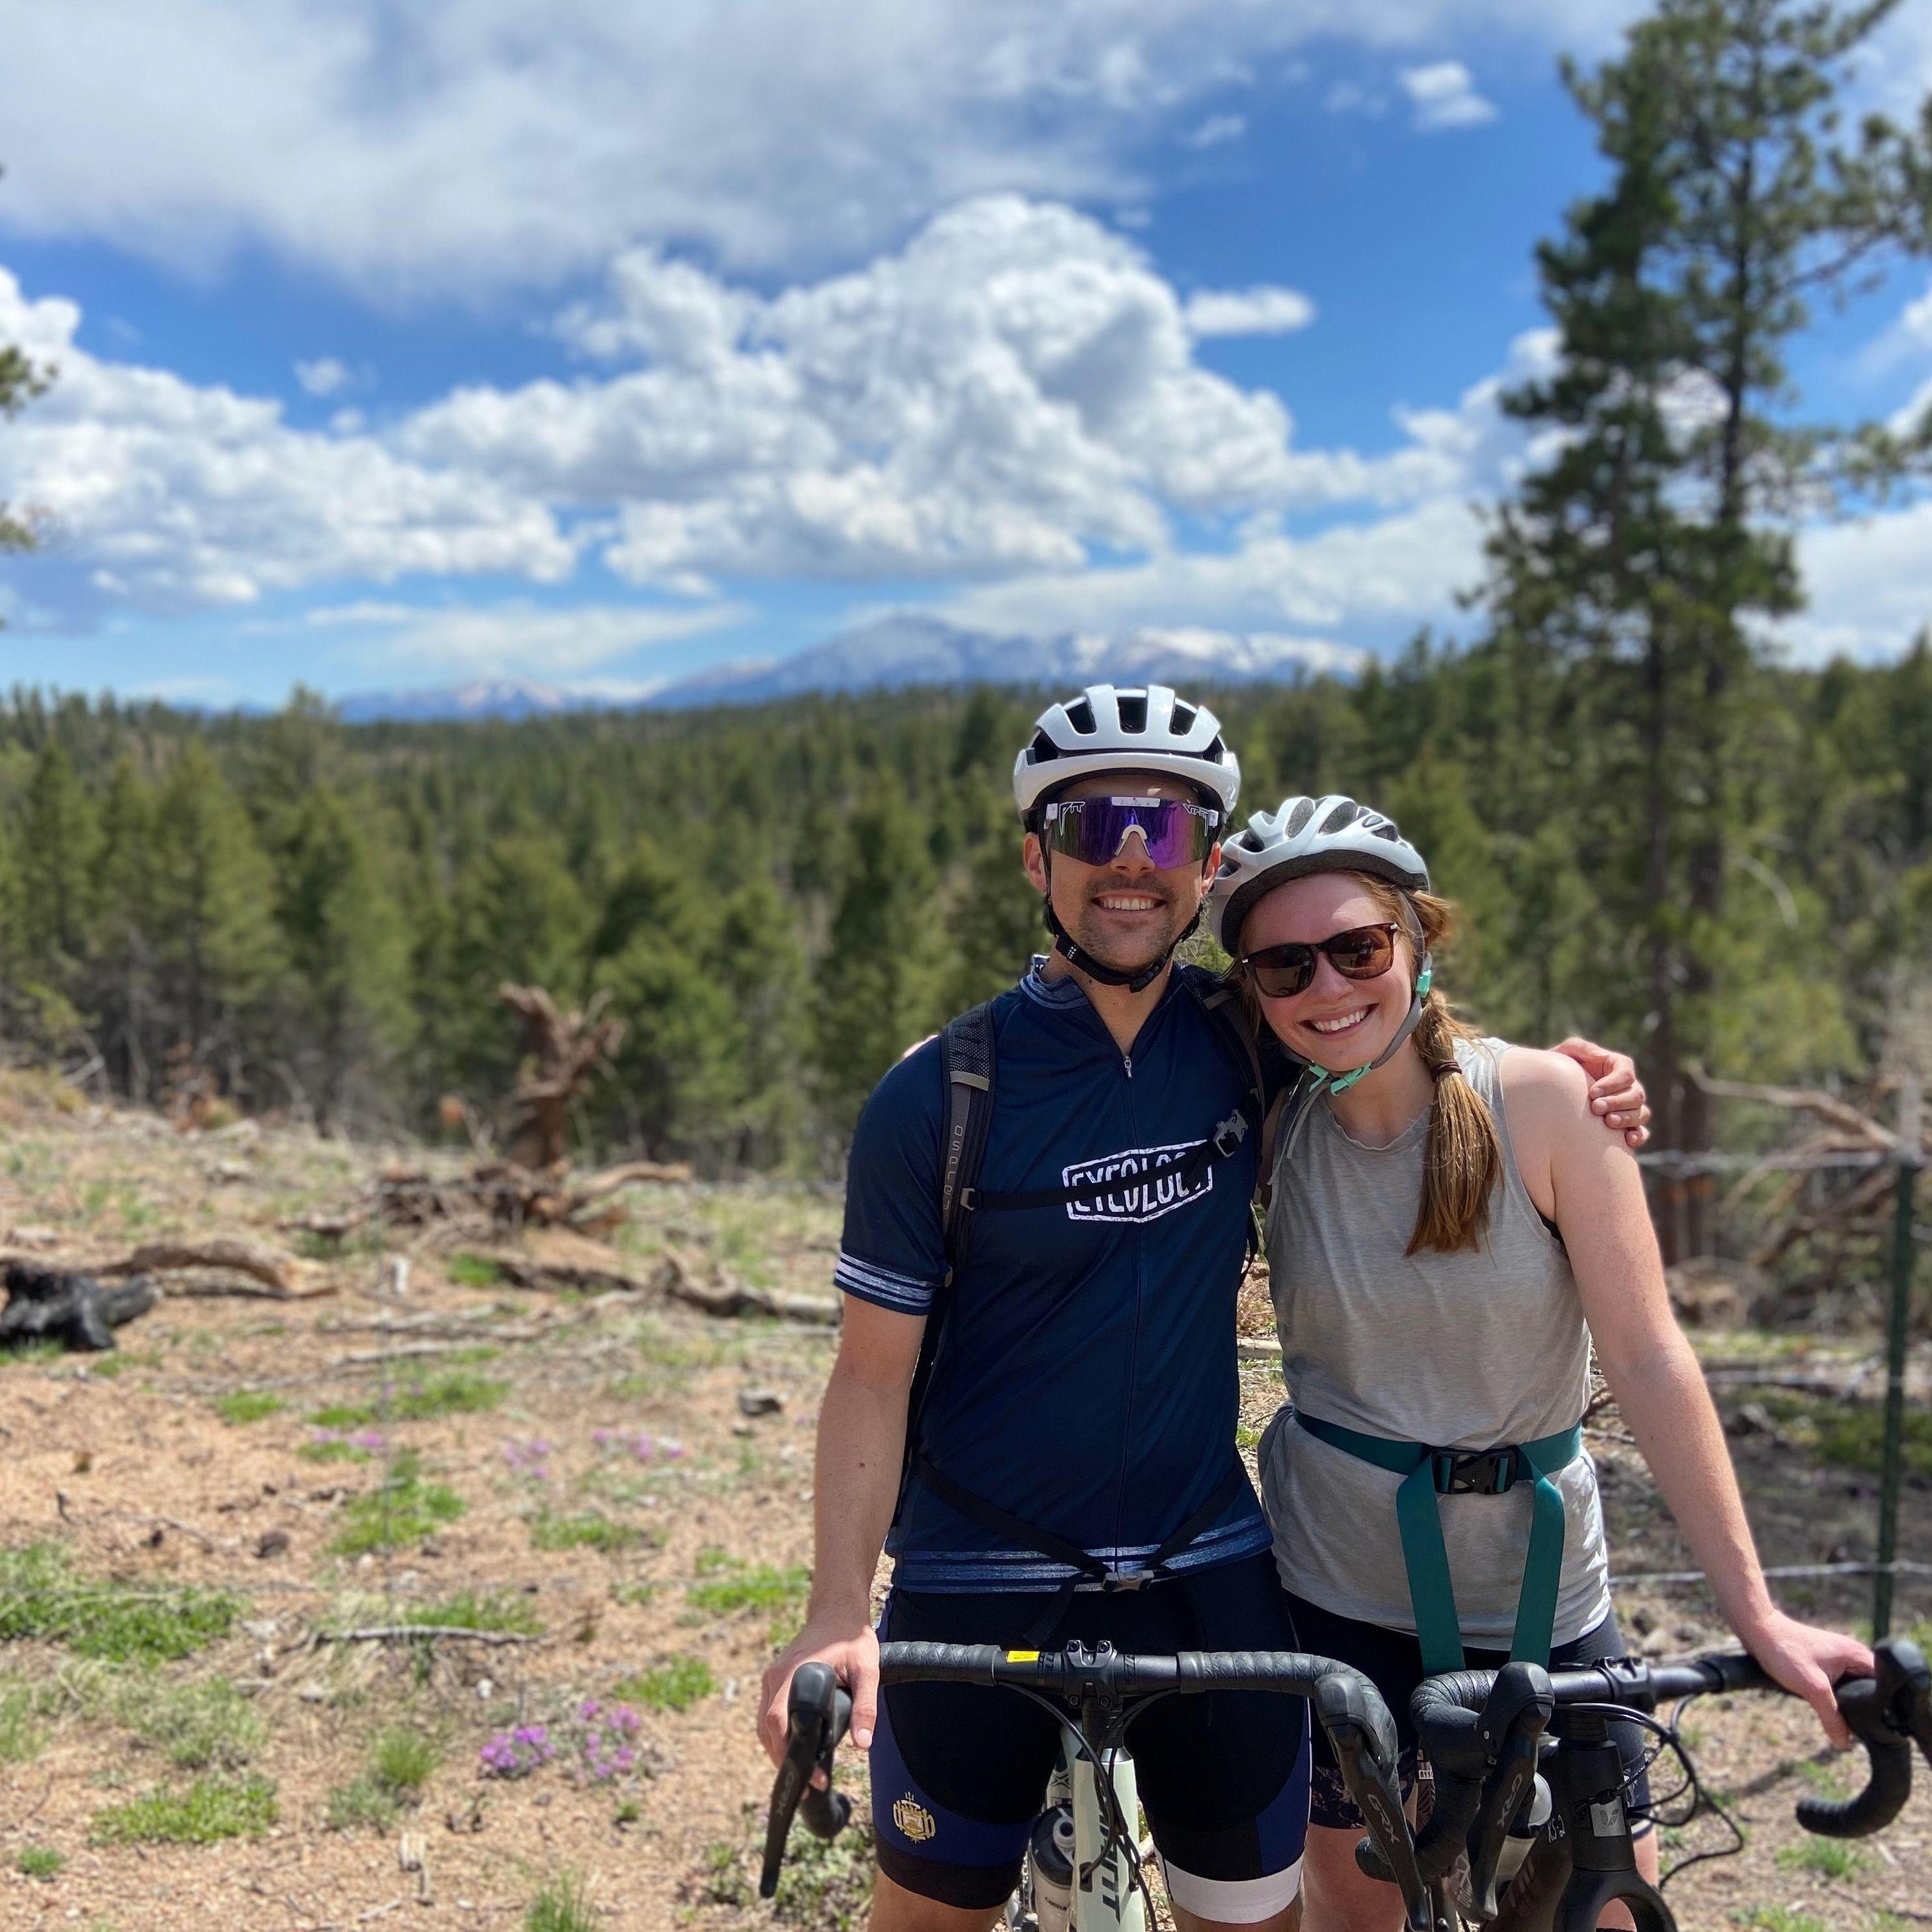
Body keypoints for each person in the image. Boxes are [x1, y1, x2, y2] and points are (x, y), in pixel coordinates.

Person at [759, 688, 1650, 1932]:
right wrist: (834, 1613)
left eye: (1167, 830)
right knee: (926, 1918)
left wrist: (1574, 1081)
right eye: (1095, 824)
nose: (1131, 857)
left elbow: (1385, 1017)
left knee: (1254, 1917)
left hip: (1206, 1558)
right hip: (977, 1558)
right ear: (1039, 857)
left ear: (1207, 865)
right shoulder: (939, 1092)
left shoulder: (1250, 1044)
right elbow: (870, 1374)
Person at [1204, 795, 1873, 1932]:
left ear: (1418, 943)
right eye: (1286, 966)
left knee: (1609, 1909)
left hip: (1547, 1597)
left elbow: (1652, 1357)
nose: (1328, 987)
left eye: (1360, 948)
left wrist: (1757, 1612)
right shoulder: (1270, 1125)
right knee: (1364, 1913)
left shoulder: (1548, 1105)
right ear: (1254, 994)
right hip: (1336, 1597)